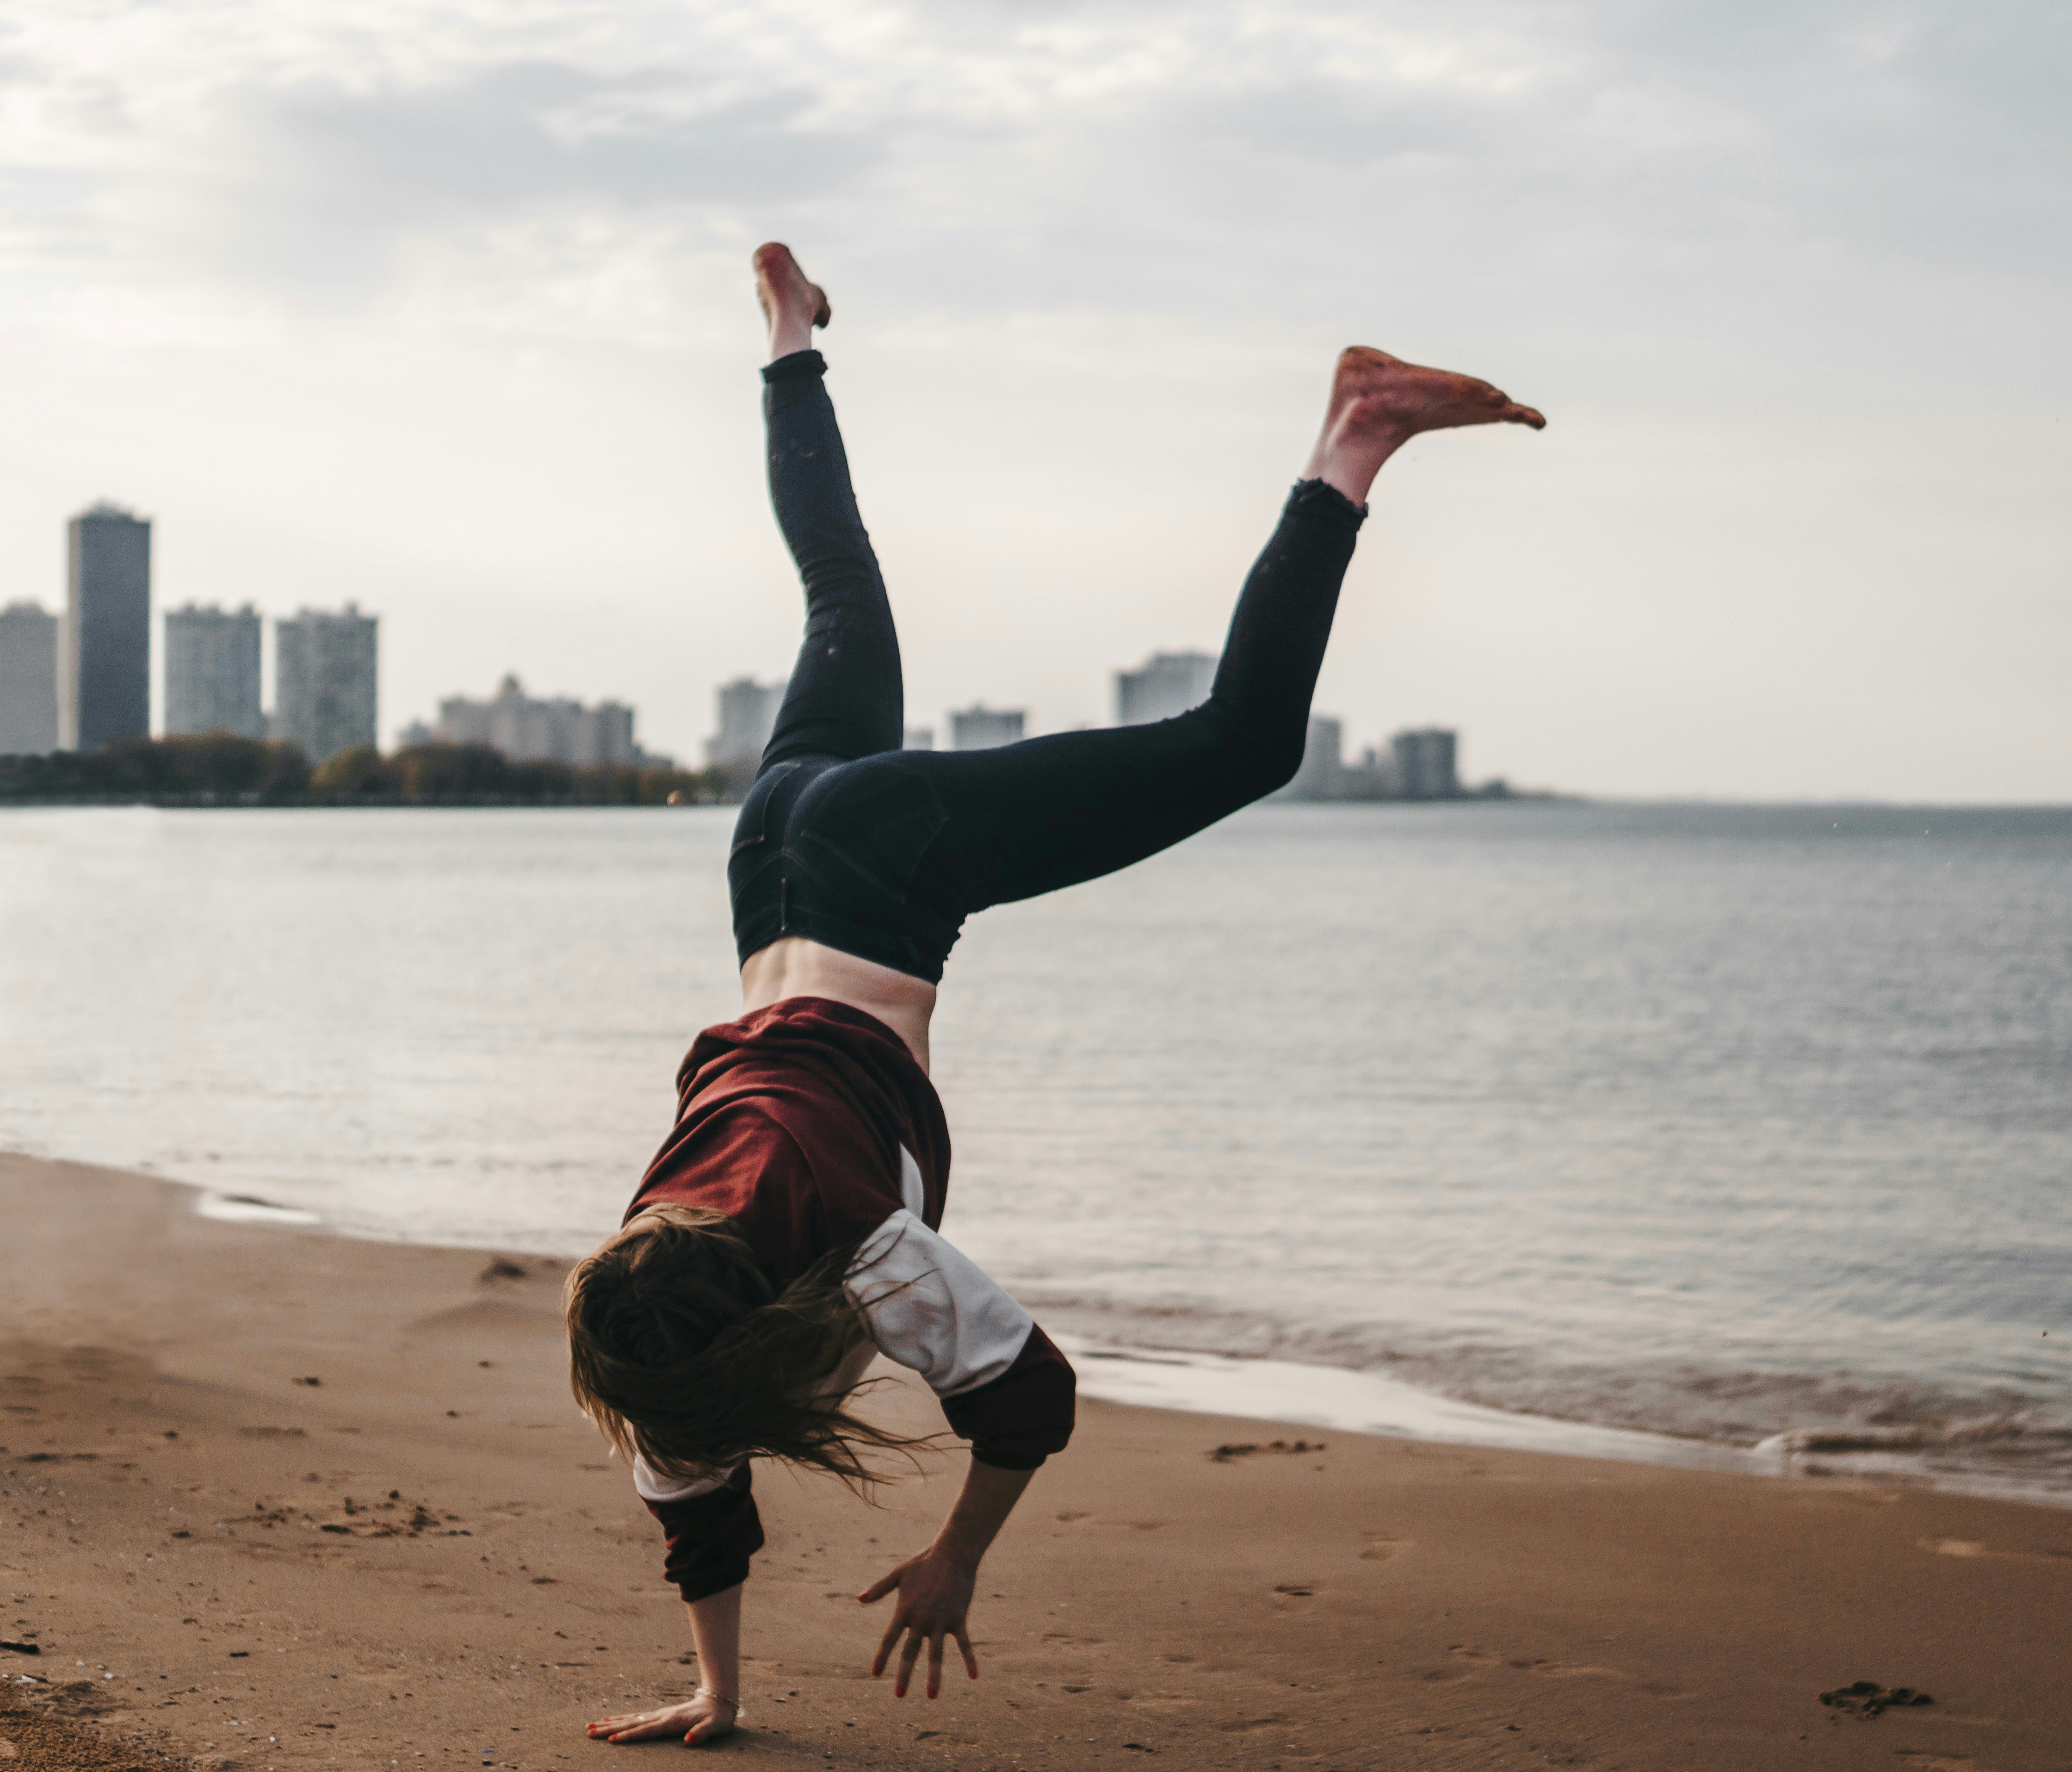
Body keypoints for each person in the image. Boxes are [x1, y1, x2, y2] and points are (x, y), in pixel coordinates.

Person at [574, 243, 1543, 1747]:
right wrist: (719, 1695)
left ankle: (1356, 433)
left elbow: (1029, 1397)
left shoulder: (861, 1244)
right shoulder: (646, 1284)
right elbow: (691, 1491)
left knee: (1241, 745)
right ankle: (785, 334)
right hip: (770, 850)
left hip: (878, 874)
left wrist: (955, 1561)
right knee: (839, 584)